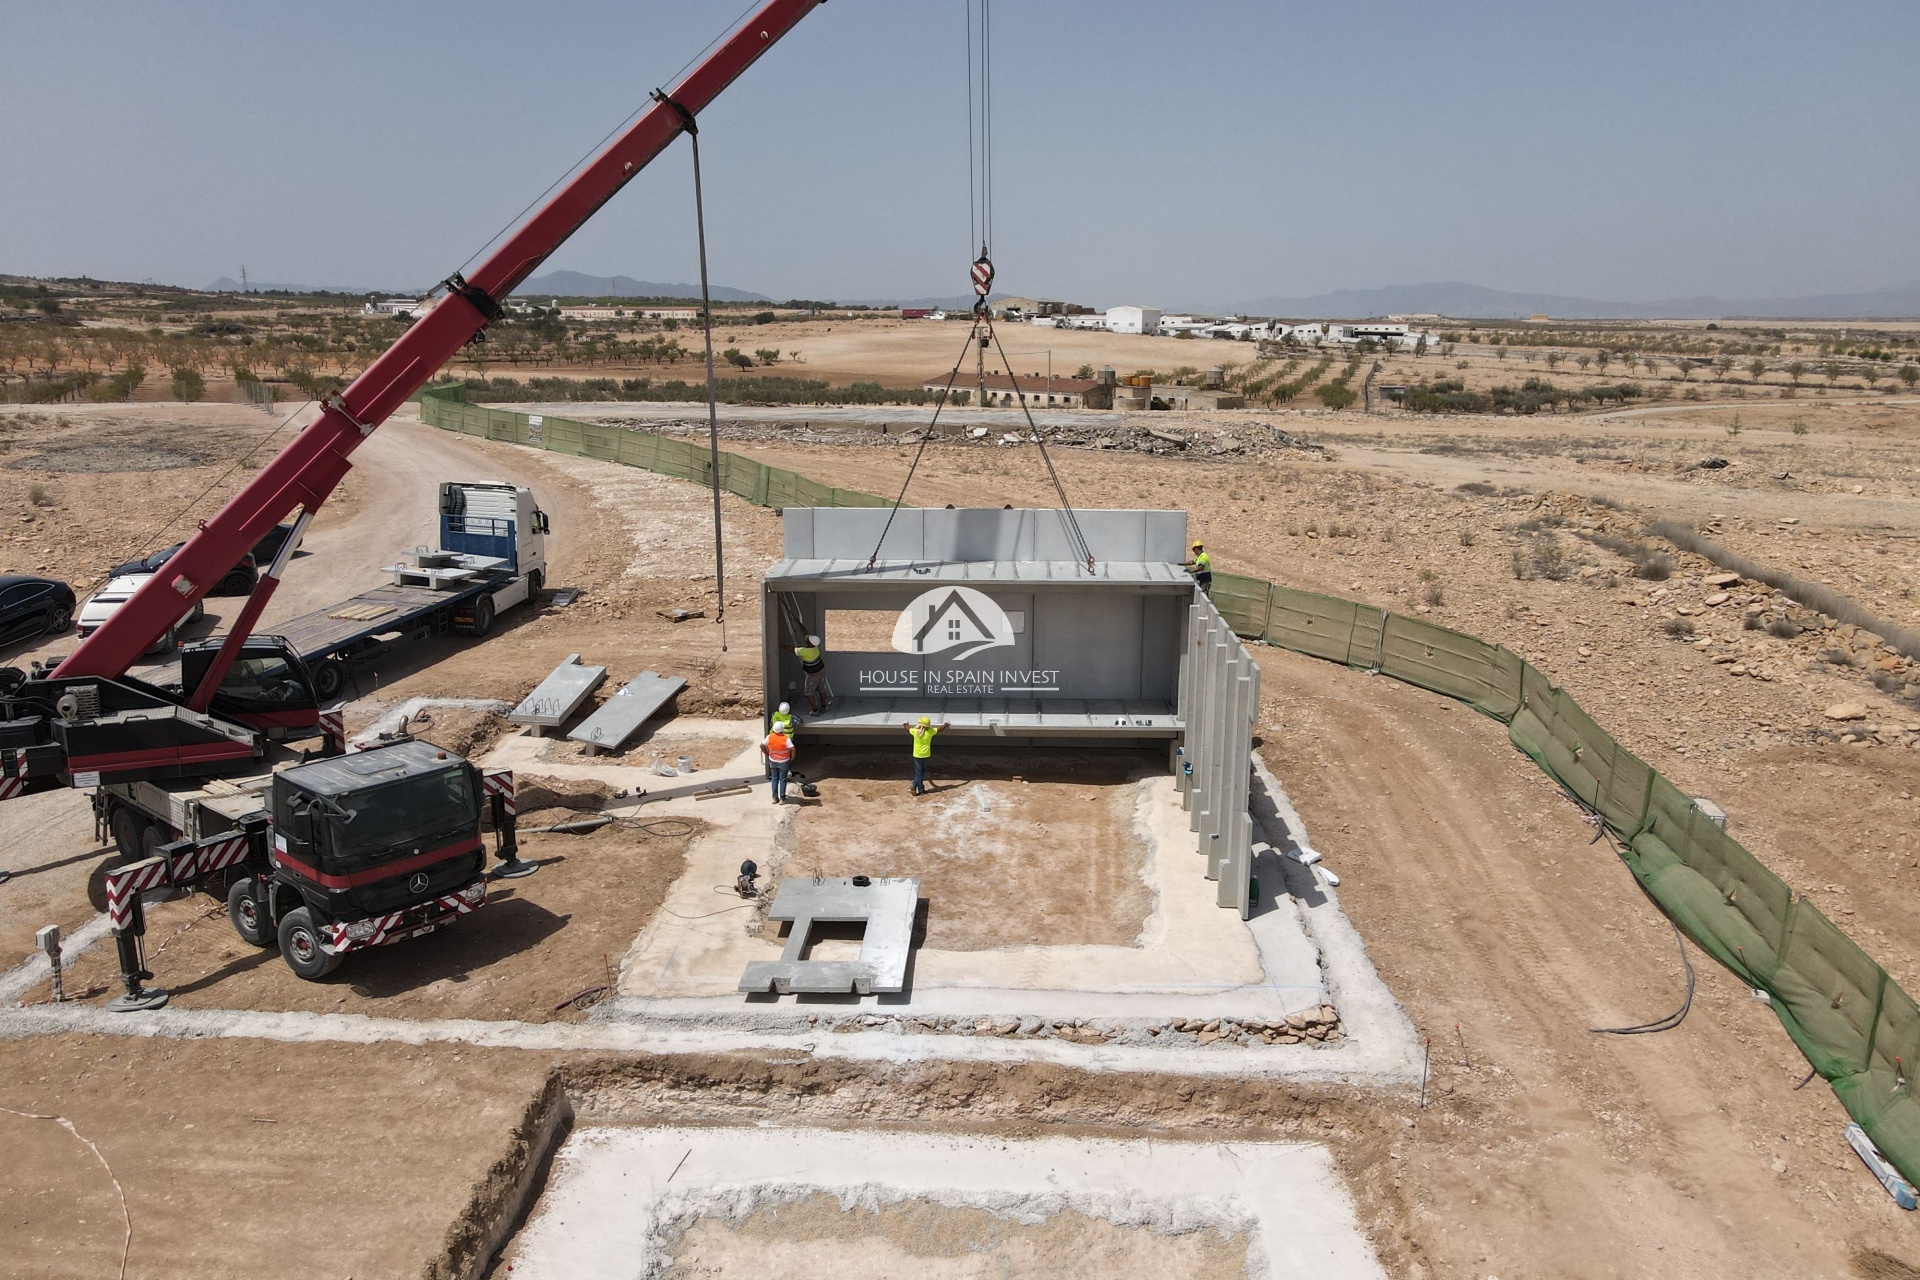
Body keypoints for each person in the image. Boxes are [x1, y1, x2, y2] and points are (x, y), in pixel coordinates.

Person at [902, 715, 949, 796]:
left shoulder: (915, 731)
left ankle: (918, 788)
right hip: (926, 755)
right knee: (921, 772)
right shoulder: (930, 731)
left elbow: (908, 728)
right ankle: (918, 788)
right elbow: (940, 729)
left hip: (917, 755)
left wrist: (905, 723)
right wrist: (946, 724)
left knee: (918, 773)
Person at [792, 634, 829, 713]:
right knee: (822, 689)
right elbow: (805, 633)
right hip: (821, 671)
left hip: (812, 675)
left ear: (810, 643)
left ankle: (815, 710)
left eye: (809, 640)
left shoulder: (804, 651)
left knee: (808, 693)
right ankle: (824, 706)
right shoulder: (815, 647)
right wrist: (799, 623)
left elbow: (791, 649)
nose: (808, 639)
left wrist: (781, 645)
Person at [762, 725, 795, 804]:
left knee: (774, 779)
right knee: (783, 779)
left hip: (773, 761)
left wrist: (767, 754)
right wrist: (792, 757)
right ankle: (782, 799)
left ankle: (774, 798)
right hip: (783, 762)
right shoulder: (786, 739)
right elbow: (793, 748)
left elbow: (761, 745)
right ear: (782, 729)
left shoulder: (769, 737)